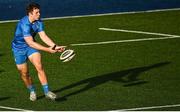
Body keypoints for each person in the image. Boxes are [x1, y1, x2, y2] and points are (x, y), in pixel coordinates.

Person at [11, 2, 66, 101]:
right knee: (24, 73)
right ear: (30, 13)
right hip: (19, 49)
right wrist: (48, 50)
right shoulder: (24, 24)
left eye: (39, 12)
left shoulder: (39, 22)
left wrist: (54, 46)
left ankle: (47, 92)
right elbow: (30, 42)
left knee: (39, 66)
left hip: (31, 47)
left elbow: (43, 36)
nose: (39, 14)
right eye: (36, 12)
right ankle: (32, 90)